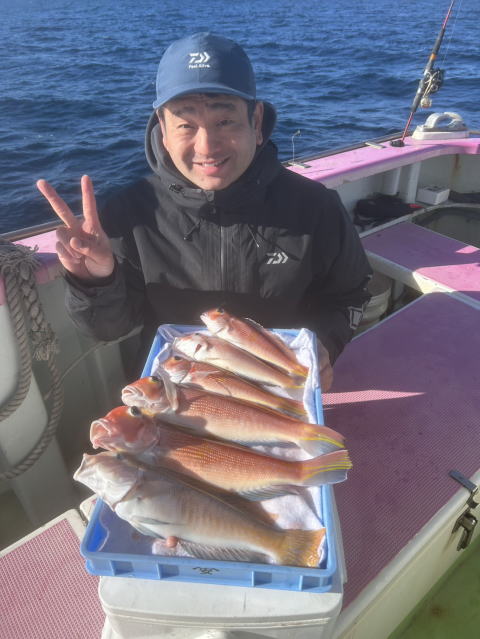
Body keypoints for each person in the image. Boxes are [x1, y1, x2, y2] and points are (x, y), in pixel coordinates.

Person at [37, 32, 372, 392]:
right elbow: (109, 329)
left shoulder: (316, 207)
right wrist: (97, 283)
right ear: (163, 130)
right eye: (186, 125)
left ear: (256, 122)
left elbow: (349, 296)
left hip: (280, 390)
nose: (207, 146)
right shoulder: (128, 214)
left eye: (225, 121)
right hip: (171, 393)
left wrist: (325, 344)